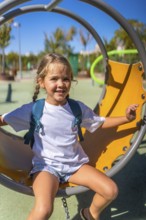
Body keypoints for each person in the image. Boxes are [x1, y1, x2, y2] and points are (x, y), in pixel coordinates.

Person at [0, 53, 138, 220]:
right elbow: (3, 119)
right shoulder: (33, 110)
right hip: (46, 167)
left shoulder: (76, 108)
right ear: (41, 82)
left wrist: (127, 118)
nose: (60, 84)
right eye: (54, 79)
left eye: (65, 79)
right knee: (44, 209)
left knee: (110, 190)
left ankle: (89, 213)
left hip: (75, 166)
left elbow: (100, 122)